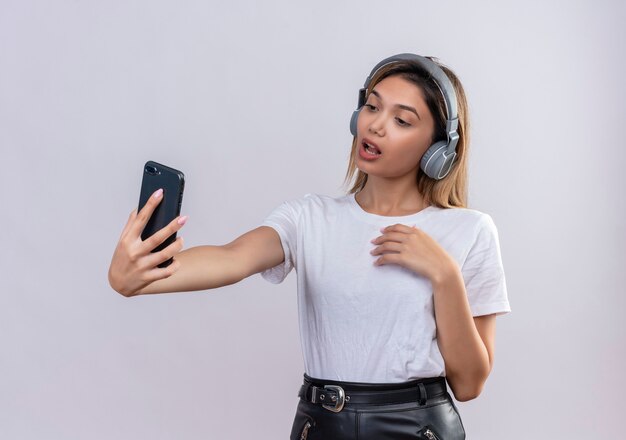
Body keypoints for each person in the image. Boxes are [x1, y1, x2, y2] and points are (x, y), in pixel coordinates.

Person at [108, 53, 511, 440]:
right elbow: (233, 258)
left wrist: (444, 275)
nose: (376, 126)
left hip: (419, 428)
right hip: (321, 426)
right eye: (372, 107)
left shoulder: (470, 230)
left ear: (439, 149)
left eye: (402, 120)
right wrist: (140, 277)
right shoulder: (309, 218)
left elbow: (470, 383)